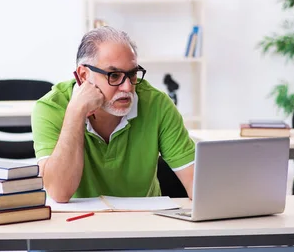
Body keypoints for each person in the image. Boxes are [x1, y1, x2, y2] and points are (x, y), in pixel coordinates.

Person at [31, 26, 195, 203]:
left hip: (144, 223)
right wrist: (75, 112)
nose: (127, 88)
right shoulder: (51, 107)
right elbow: (58, 192)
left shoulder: (157, 104)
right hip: (76, 225)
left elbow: (196, 182)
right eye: (114, 76)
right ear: (84, 75)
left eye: (132, 74)